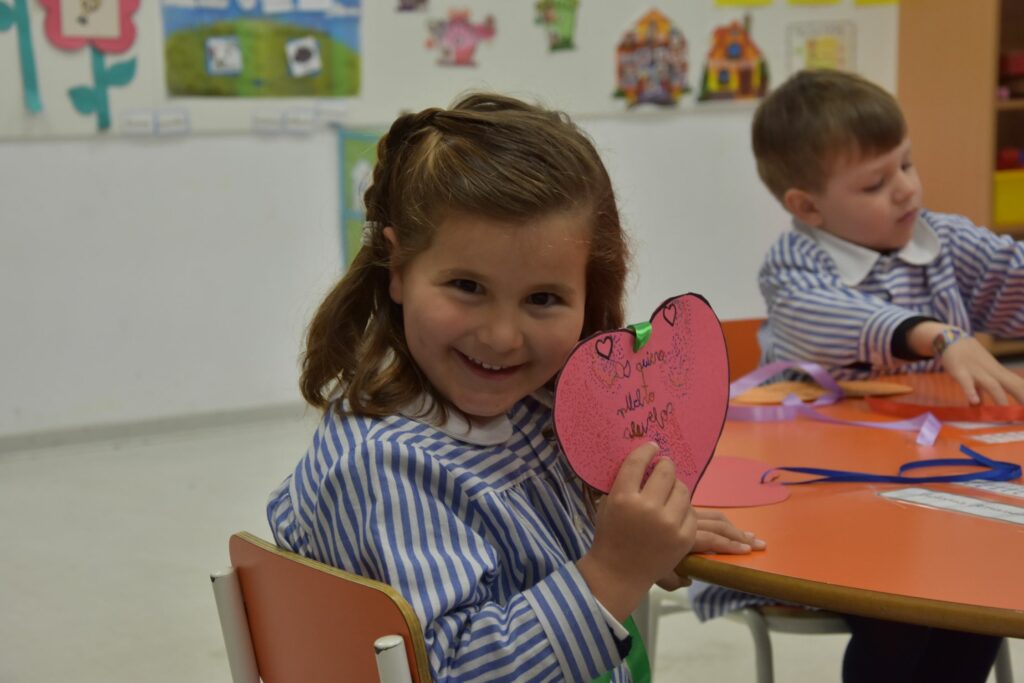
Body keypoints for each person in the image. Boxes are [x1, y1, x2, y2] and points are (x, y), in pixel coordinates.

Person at [266, 92, 764, 682]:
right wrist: (612, 572)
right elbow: (451, 672)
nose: (502, 337)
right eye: (466, 286)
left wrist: (640, 539)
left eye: (543, 299)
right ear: (398, 269)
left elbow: (545, 555)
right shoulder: (386, 469)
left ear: (590, 293)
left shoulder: (539, 403)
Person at [693, 69, 1015, 683]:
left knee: (977, 598)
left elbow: (1010, 275)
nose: (905, 190)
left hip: (936, 494)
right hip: (823, 508)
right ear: (807, 207)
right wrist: (933, 334)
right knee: (903, 612)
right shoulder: (795, 263)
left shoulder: (942, 242)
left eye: (907, 165)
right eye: (875, 183)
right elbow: (831, 319)